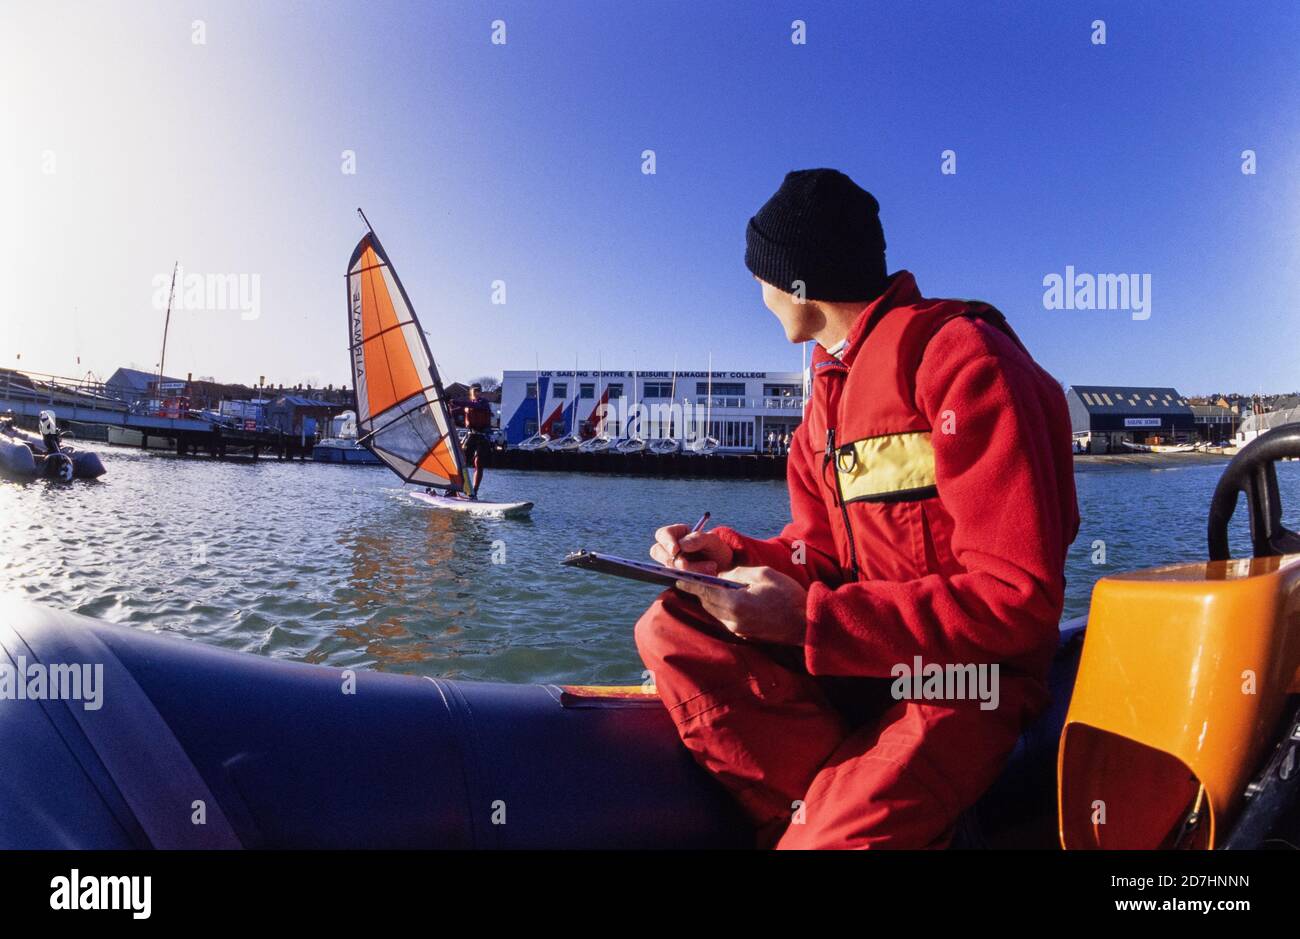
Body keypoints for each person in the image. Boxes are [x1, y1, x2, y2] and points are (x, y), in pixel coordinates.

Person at [634, 169, 1079, 849]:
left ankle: (845, 817)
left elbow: (1018, 605)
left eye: (761, 274)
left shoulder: (965, 361)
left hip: (964, 681)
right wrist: (729, 557)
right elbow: (823, 553)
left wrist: (811, 620)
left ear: (797, 279)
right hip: (862, 662)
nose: (756, 292)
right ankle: (835, 804)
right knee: (671, 626)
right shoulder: (827, 400)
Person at [449, 383, 492, 498]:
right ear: (471, 392)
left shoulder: (483, 403)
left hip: (482, 437)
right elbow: (455, 411)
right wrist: (448, 405)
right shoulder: (468, 405)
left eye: (479, 391)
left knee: (478, 464)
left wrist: (455, 401)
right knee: (461, 461)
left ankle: (474, 492)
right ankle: (454, 488)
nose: (477, 393)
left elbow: (475, 406)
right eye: (475, 391)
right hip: (471, 436)